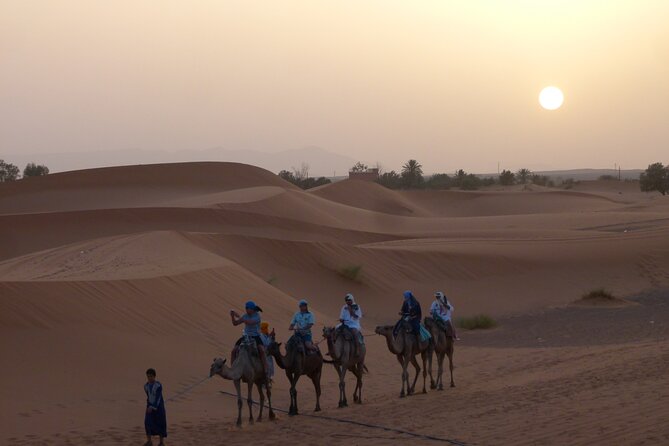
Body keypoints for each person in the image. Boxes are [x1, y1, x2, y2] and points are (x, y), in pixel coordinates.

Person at [230, 301, 268, 376]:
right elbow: (235, 323)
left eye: (247, 308)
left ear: (252, 309)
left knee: (262, 350)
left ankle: (265, 367)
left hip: (255, 336)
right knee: (234, 350)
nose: (246, 309)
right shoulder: (245, 316)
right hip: (246, 336)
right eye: (246, 308)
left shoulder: (257, 316)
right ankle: (232, 368)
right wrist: (232, 316)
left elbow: (250, 322)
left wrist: (241, 318)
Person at [144, 368, 167, 446]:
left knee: (160, 423)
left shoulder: (158, 385)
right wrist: (149, 406)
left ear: (154, 376)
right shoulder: (146, 386)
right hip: (150, 407)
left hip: (159, 408)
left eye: (151, 376)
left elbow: (158, 398)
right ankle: (149, 441)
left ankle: (161, 442)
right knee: (147, 422)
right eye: (148, 376)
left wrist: (153, 407)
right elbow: (149, 396)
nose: (149, 378)